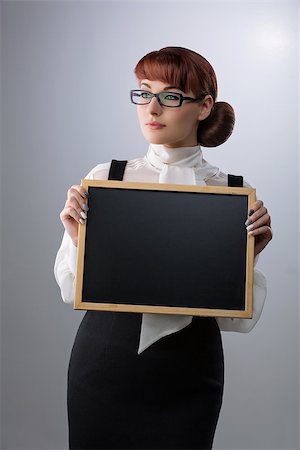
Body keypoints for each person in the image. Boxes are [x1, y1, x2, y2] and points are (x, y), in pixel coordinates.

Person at [54, 46, 272, 450]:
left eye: (170, 96)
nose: (151, 108)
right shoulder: (107, 180)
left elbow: (235, 319)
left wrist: (248, 254)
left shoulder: (230, 194)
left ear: (204, 106)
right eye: (143, 92)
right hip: (105, 361)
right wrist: (77, 237)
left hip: (190, 369)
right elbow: (73, 291)